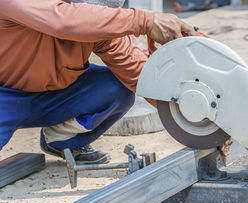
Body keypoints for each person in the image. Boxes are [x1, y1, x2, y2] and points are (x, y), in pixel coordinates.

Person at [0, 0, 197, 164]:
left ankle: (61, 139)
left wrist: (197, 116)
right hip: (4, 98)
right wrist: (146, 21)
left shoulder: (99, 26)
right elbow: (64, 20)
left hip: (53, 98)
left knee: (116, 88)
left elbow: (141, 75)